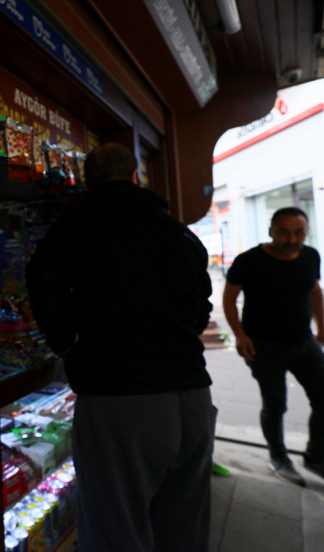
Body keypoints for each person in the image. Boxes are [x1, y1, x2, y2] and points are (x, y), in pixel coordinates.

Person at [26, 143, 215, 551]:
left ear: (87, 180)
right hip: (194, 398)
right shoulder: (179, 232)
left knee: (117, 532)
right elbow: (202, 305)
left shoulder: (81, 222)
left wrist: (66, 344)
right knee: (184, 528)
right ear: (135, 176)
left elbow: (43, 278)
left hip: (121, 402)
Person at [222, 206, 324, 493]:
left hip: (304, 342)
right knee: (275, 404)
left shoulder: (310, 256)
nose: (292, 239)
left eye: (299, 233)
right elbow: (229, 298)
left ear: (305, 232)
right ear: (271, 231)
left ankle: (316, 459)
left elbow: (314, 290)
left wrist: (321, 328)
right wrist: (239, 335)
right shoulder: (249, 261)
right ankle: (279, 458)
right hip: (263, 346)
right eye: (284, 232)